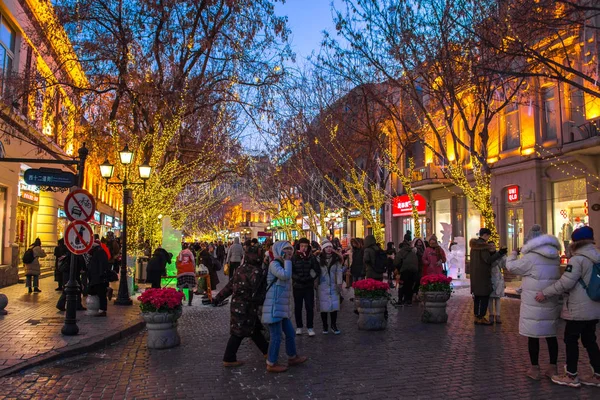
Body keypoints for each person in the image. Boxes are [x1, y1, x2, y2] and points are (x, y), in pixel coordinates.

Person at [536, 226, 600, 388]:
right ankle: (598, 375)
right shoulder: (597, 256)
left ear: (576, 242)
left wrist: (545, 292)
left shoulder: (578, 260)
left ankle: (571, 375)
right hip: (594, 306)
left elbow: (566, 283)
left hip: (578, 308)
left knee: (571, 340)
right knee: (590, 340)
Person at [505, 225, 562, 380]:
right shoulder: (554, 255)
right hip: (550, 299)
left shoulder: (530, 258)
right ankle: (553, 367)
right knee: (551, 335)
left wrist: (513, 253)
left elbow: (510, 267)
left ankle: (534, 369)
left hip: (533, 302)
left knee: (533, 336)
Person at [213, 245, 269, 367]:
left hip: (237, 305)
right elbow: (259, 291)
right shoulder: (256, 271)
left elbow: (229, 286)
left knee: (253, 330)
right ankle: (229, 358)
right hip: (247, 307)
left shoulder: (240, 269)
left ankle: (267, 351)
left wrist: (218, 298)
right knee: (238, 333)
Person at [262, 241, 308, 373]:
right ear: (279, 251)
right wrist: (288, 260)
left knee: (290, 333)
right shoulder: (274, 264)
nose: (289, 252)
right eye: (286, 249)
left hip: (281, 307)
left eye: (290, 249)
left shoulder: (283, 263)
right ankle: (271, 362)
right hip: (274, 306)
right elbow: (286, 275)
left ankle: (292, 356)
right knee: (276, 336)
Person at [469, 228, 506, 325]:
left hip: (475, 275)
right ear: (485, 235)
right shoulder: (483, 246)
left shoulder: (474, 246)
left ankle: (476, 317)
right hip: (483, 275)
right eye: (488, 236)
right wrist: (500, 253)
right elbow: (488, 260)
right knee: (484, 297)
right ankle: (481, 317)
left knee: (477, 297)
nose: (488, 238)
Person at [292, 238, 320, 337]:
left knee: (309, 307)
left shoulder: (311, 257)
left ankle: (310, 327)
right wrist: (297, 278)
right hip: (297, 286)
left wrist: (310, 278)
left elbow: (317, 270)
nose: (304, 248)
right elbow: (292, 271)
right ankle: (299, 326)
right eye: (302, 246)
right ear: (299, 246)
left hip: (308, 286)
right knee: (298, 307)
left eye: (306, 246)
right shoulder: (294, 257)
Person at [317, 240, 343, 335]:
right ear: (323, 248)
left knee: (334, 306)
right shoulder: (318, 259)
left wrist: (339, 283)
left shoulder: (336, 259)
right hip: (322, 285)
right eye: (327, 247)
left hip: (333, 284)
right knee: (324, 307)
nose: (329, 249)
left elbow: (339, 271)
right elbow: (315, 270)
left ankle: (333, 325)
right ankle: (325, 325)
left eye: (330, 247)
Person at [86, 238, 111, 317]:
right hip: (96, 277)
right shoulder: (96, 252)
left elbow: (102, 265)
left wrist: (101, 275)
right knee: (94, 292)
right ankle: (98, 308)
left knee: (101, 294)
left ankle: (102, 310)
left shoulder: (99, 252)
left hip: (98, 278)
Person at [394, 235, 419, 306]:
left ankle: (400, 300)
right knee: (409, 285)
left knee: (402, 285)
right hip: (413, 271)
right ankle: (408, 300)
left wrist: (397, 269)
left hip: (404, 271)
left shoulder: (401, 252)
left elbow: (396, 262)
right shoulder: (412, 253)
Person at [488, 242, 506, 324]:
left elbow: (503, 265)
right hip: (489, 278)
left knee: (498, 298)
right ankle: (491, 314)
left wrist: (504, 256)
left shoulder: (500, 255)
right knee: (490, 298)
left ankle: (498, 315)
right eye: (490, 246)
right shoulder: (487, 255)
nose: (492, 247)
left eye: (493, 245)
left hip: (498, 278)